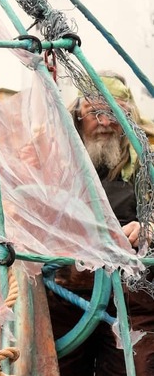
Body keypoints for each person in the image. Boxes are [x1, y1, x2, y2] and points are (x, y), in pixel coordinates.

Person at [47, 71, 154, 375]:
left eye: (114, 112)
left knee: (139, 367)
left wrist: (149, 229)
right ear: (78, 115)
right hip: (67, 296)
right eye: (95, 112)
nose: (105, 122)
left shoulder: (149, 158)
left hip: (134, 299)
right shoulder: (53, 156)